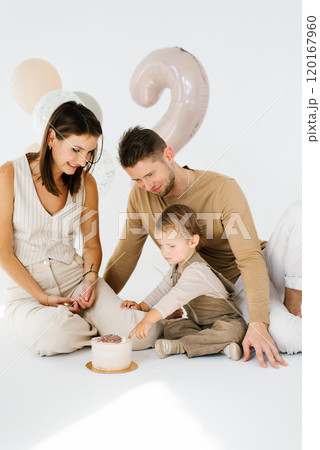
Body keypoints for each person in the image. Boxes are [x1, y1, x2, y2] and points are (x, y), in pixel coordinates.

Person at [103, 126, 301, 368]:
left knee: (301, 212)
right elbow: (125, 254)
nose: (146, 185)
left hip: (256, 267)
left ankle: (296, 302)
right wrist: (100, 299)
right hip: (227, 290)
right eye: (137, 179)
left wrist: (259, 322)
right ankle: (288, 313)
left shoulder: (222, 188)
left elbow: (249, 258)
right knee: (287, 338)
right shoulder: (140, 196)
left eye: (151, 174)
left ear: (168, 155)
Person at [0, 103, 163, 356]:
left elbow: (90, 244)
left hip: (75, 281)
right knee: (52, 338)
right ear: (52, 137)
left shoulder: (86, 182)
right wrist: (43, 298)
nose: (83, 160)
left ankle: (95, 323)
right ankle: (91, 327)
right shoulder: (8, 175)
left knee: (145, 335)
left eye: (89, 152)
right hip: (27, 293)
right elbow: (4, 252)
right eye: (76, 150)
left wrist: (89, 279)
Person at [122, 204, 247, 360]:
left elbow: (174, 298)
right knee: (171, 329)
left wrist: (148, 320)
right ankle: (221, 347)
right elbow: (161, 291)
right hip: (198, 324)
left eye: (172, 246)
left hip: (224, 322)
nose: (165, 252)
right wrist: (142, 306)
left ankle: (180, 346)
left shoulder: (197, 271)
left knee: (233, 331)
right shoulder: (176, 268)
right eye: (162, 245)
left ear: (193, 241)